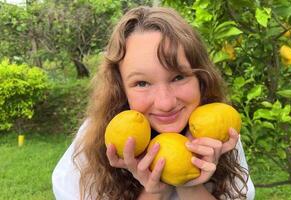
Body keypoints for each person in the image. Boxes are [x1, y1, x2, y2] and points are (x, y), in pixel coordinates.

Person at [52, 6, 255, 200]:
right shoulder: (96, 141)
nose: (165, 103)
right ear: (121, 88)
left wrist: (191, 187)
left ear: (201, 79)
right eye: (142, 83)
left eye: (178, 77)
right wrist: (155, 193)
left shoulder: (218, 134)